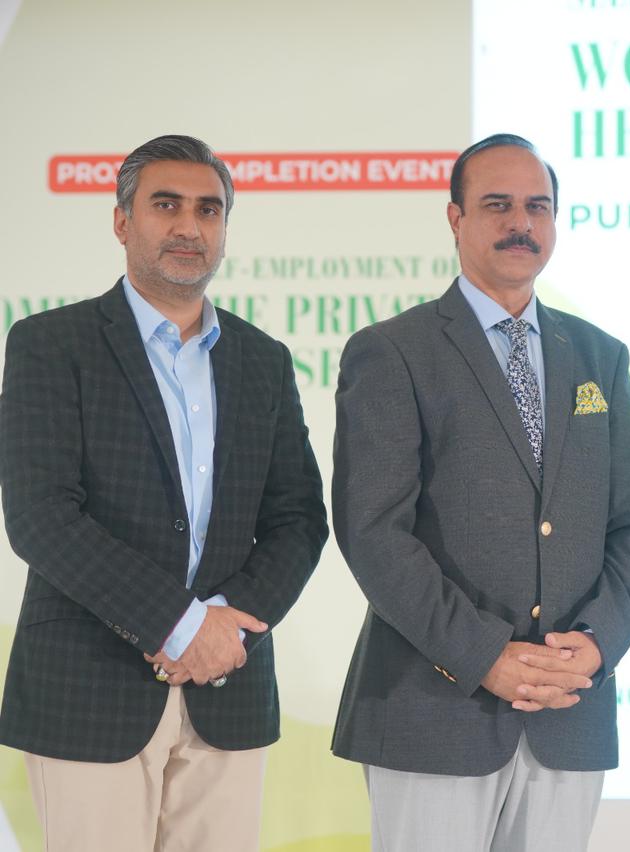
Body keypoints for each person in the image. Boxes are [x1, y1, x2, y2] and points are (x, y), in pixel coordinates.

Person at [330, 133, 630, 852]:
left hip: (570, 712)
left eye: (537, 206)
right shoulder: (393, 351)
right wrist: (486, 655)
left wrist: (598, 644)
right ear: (455, 218)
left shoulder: (600, 356)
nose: (521, 223)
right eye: (497, 205)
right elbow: (372, 531)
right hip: (434, 709)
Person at [0, 134, 329, 852]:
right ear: (123, 222)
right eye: (166, 205)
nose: (189, 226)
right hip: (89, 689)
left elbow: (299, 518)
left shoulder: (264, 360)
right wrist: (181, 627)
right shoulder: (51, 344)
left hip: (228, 690)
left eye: (208, 210)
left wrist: (227, 632)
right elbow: (40, 516)